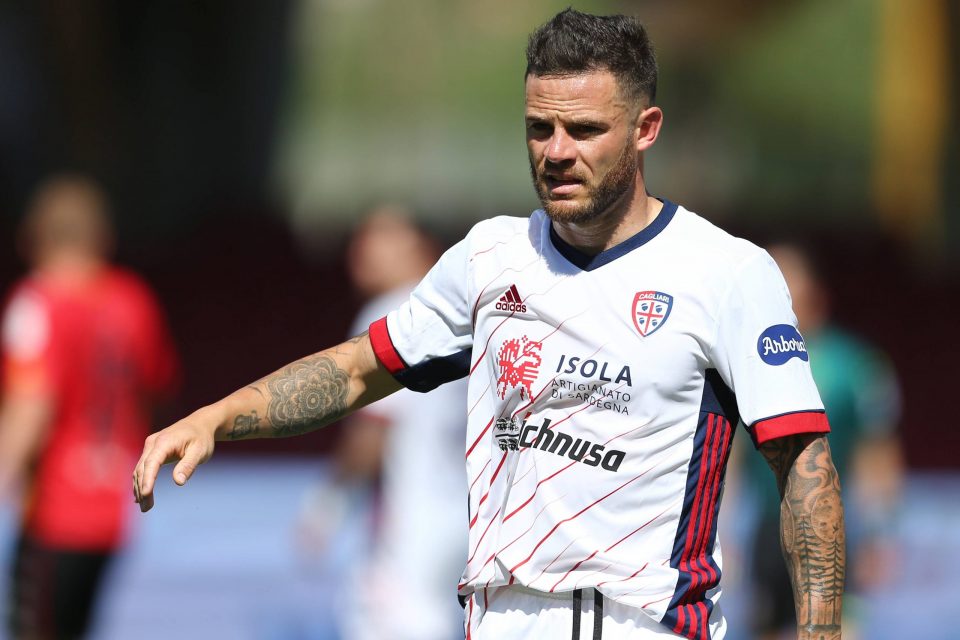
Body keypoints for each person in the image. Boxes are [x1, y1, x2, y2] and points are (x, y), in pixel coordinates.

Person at [133, 10, 844, 640]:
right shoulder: (489, 257)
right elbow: (356, 371)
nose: (557, 151)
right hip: (498, 620)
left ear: (645, 129)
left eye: (585, 129)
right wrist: (218, 418)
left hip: (642, 624)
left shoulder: (727, 273)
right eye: (540, 128)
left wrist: (821, 632)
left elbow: (804, 465)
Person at [0, 175, 179, 639]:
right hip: (112, 504)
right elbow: (158, 385)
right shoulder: (133, 300)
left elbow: (31, 405)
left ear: (32, 236)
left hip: (53, 512)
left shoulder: (37, 304)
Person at [298, 207, 469, 640]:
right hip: (467, 513)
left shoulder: (394, 313)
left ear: (420, 245)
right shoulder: (467, 310)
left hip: (411, 515)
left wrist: (330, 501)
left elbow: (375, 429)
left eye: (380, 237)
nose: (361, 251)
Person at [737, 243, 902, 640]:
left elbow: (878, 455)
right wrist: (721, 531)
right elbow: (730, 456)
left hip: (834, 532)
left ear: (813, 291)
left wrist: (879, 533)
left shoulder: (854, 365)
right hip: (767, 531)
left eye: (787, 277)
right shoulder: (742, 361)